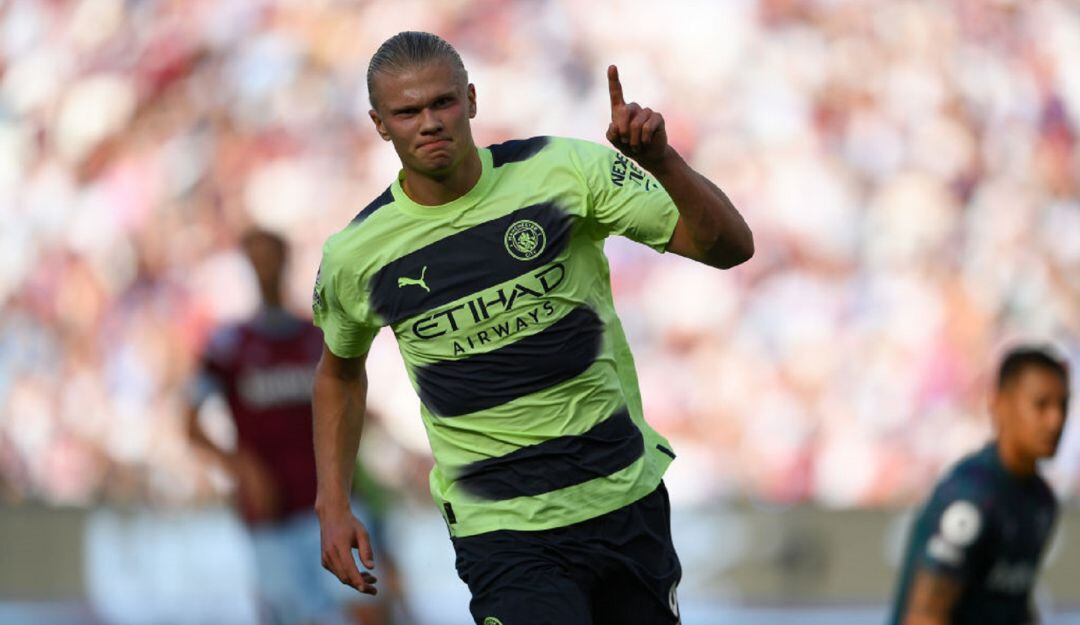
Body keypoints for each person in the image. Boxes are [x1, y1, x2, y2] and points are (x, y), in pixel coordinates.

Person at [311, 31, 753, 624]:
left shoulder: (564, 172)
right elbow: (339, 374)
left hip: (622, 498)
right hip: (503, 531)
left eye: (442, 103)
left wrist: (661, 162)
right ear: (379, 124)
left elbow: (729, 248)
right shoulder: (358, 255)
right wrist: (332, 504)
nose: (430, 123)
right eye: (408, 111)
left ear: (471, 99)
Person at [187, 229, 388, 625]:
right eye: (255, 257)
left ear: (286, 259)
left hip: (333, 501)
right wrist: (241, 465)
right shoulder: (228, 346)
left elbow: (350, 406)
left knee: (365, 608)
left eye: (270, 256)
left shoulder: (317, 336)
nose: (264, 267)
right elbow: (190, 425)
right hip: (271, 512)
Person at [888, 346, 1071, 625]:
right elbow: (924, 616)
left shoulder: (1041, 501)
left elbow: (1012, 601)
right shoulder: (971, 497)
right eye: (1041, 404)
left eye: (1063, 406)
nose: (1055, 420)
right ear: (999, 404)